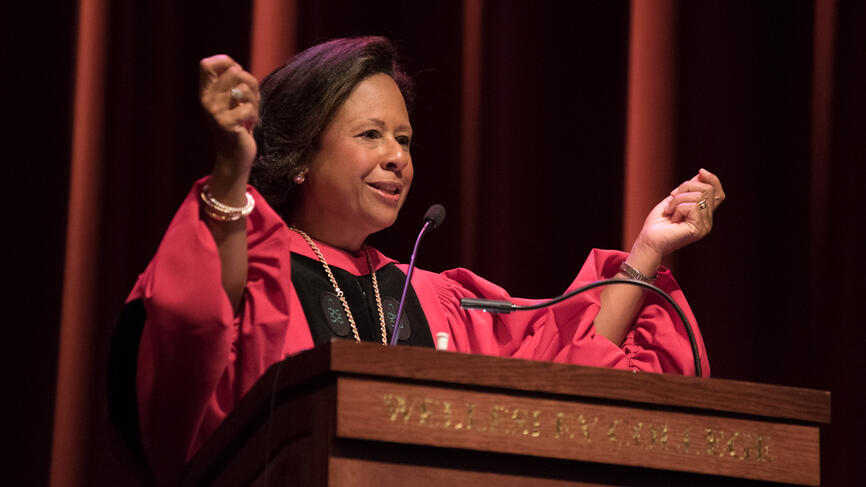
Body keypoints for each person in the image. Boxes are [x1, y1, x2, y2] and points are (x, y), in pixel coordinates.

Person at [122, 36, 724, 484]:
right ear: (301, 156)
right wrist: (233, 168)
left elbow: (564, 369)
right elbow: (191, 324)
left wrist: (648, 249)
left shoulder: (434, 298)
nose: (397, 157)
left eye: (404, 139)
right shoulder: (259, 269)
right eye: (371, 135)